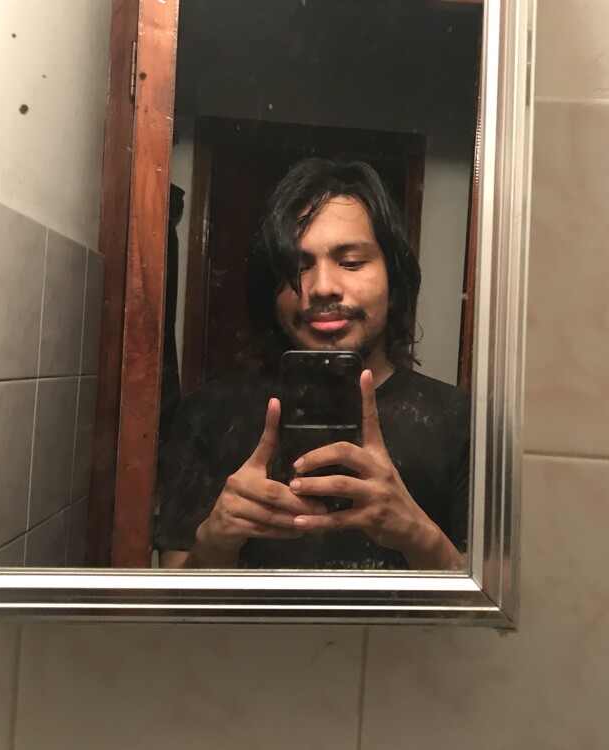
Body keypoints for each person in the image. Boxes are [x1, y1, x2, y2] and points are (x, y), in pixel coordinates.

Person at [155, 158, 470, 570]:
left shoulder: (461, 422)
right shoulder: (208, 413)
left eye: (351, 262)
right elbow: (174, 594)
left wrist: (417, 534)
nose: (322, 287)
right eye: (297, 267)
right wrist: (216, 540)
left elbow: (496, 602)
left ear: (394, 279)